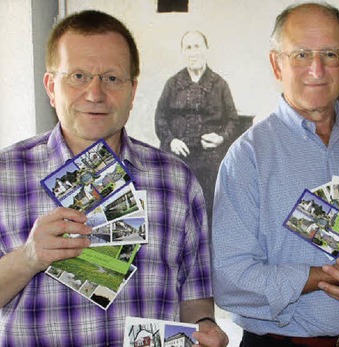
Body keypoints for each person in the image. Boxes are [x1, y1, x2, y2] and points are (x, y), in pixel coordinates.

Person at [0, 10, 228, 346]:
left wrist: (205, 325)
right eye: (78, 76)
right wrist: (29, 257)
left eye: (111, 78)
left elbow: (193, 298)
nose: (94, 93)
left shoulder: (176, 182)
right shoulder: (4, 175)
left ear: (132, 90)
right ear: (51, 86)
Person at [211, 2, 339, 346]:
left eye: (330, 54)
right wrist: (328, 275)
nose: (317, 68)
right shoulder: (247, 157)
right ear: (276, 63)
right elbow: (231, 281)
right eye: (301, 54)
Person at [155, 30, 239, 223]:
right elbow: (160, 118)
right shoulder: (172, 84)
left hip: (209, 160)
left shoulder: (220, 85)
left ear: (206, 50)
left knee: (209, 212)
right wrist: (171, 140)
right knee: (175, 212)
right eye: (188, 48)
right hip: (178, 157)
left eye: (197, 46)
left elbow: (233, 120)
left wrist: (221, 138)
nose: (193, 52)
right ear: (183, 53)